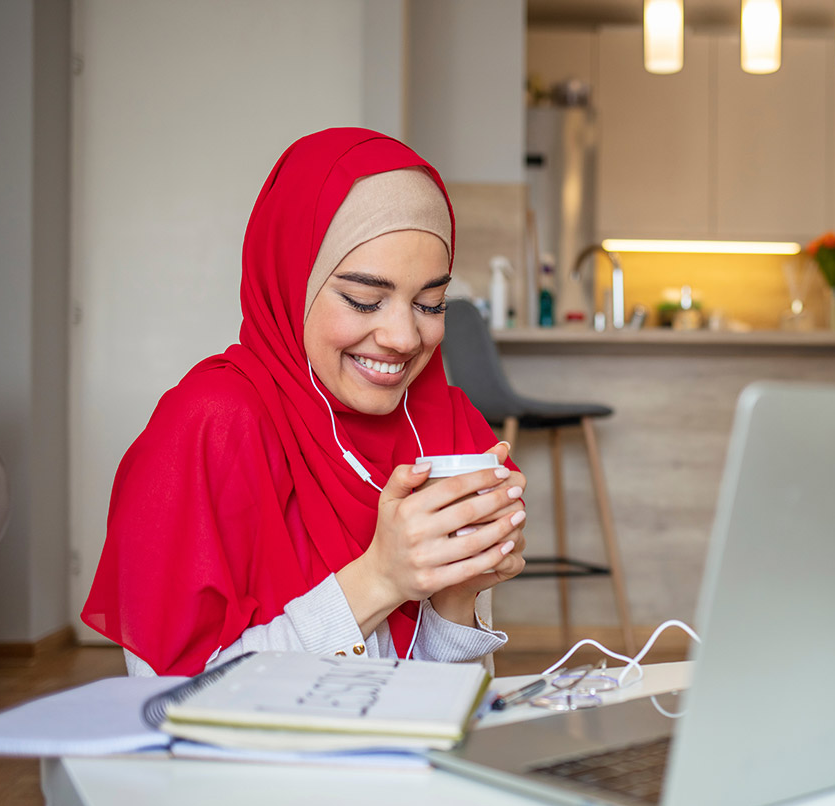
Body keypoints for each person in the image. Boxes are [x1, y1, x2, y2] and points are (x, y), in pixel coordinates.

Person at [82, 128, 526, 677]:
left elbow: (449, 698)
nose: (404, 338)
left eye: (431, 303)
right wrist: (380, 580)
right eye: (365, 301)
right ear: (291, 282)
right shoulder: (212, 424)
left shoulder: (445, 423)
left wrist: (457, 595)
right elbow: (169, 698)